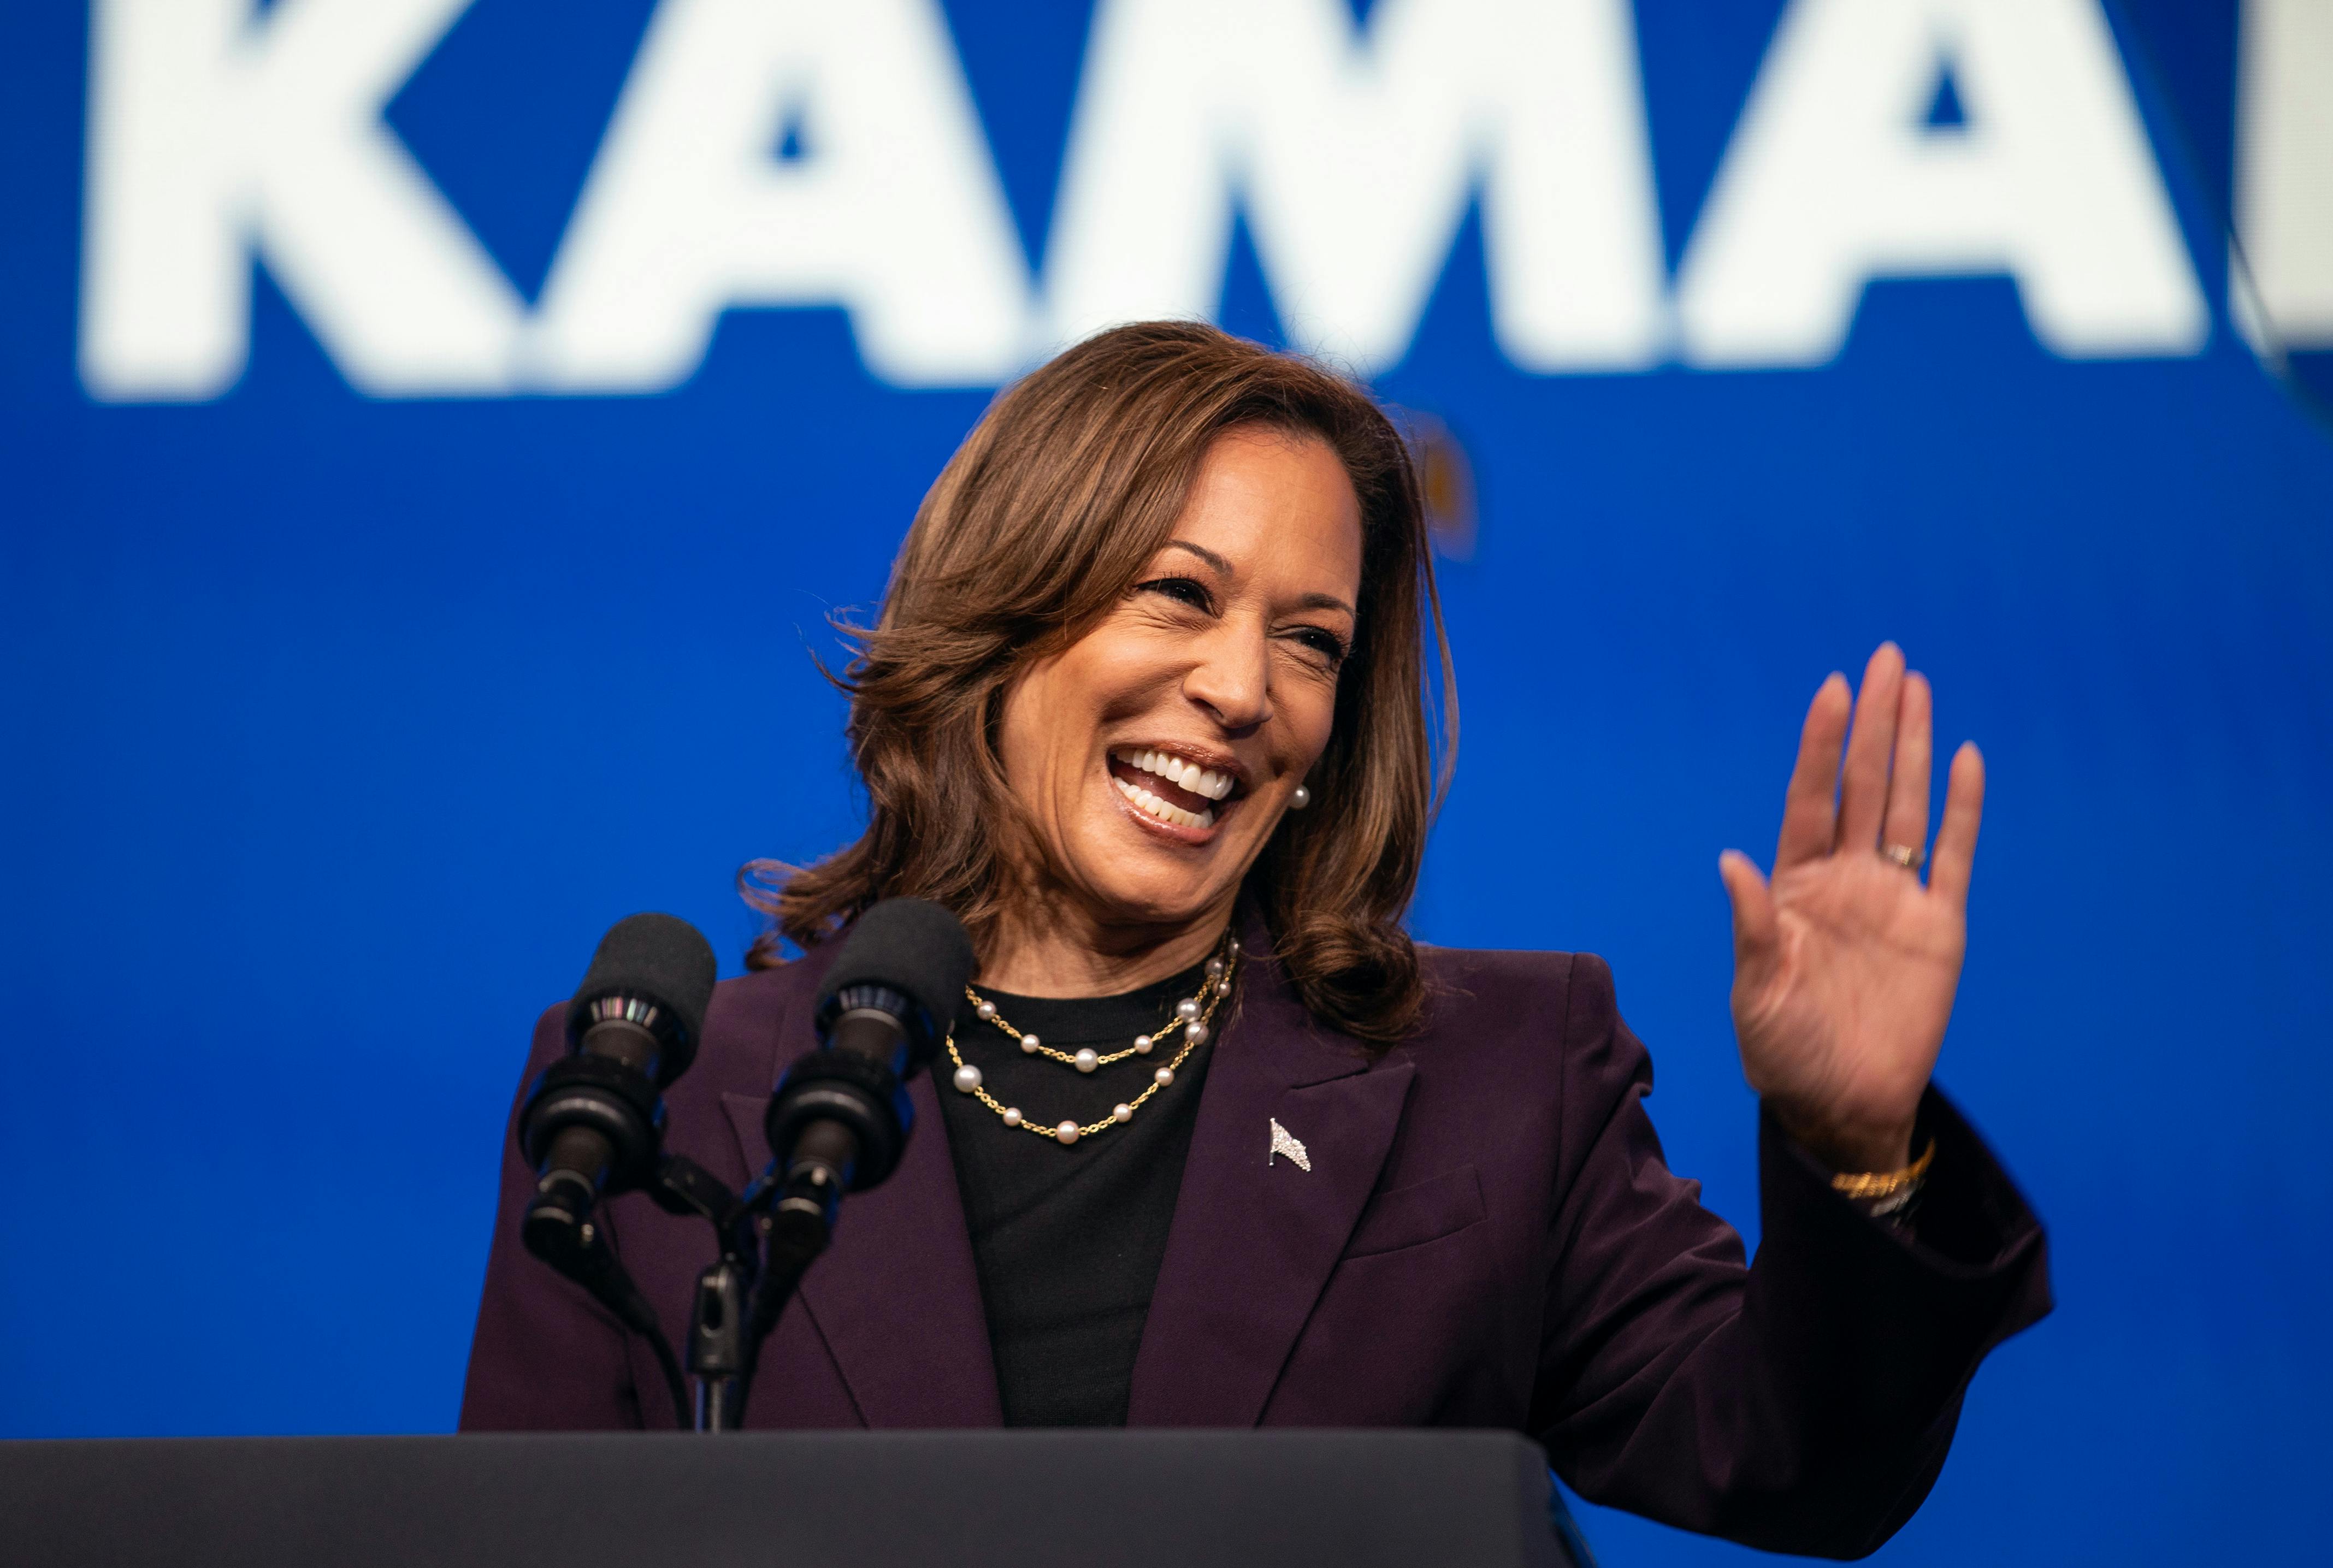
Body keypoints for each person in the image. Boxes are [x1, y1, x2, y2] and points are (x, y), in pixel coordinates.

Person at [461, 322, 2049, 1557]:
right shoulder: (662, 1103)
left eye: (1310, 642)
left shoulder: (1495, 1081)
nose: (1244, 688)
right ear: (1005, 620)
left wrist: (1858, 1147)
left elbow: (1790, 1461)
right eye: (1178, 595)